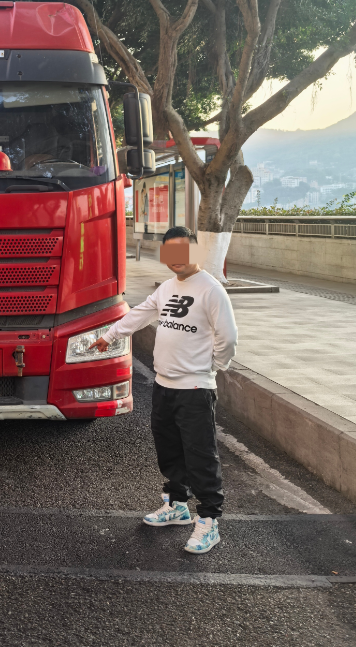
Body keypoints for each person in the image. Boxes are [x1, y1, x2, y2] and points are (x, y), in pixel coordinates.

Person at [90, 225, 238, 554]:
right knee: (169, 449)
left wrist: (213, 366)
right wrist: (110, 336)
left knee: (200, 455)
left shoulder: (211, 290)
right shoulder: (168, 287)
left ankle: (209, 520)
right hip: (163, 385)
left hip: (194, 388)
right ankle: (177, 505)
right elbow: (141, 313)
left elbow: (228, 338)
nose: (176, 258)